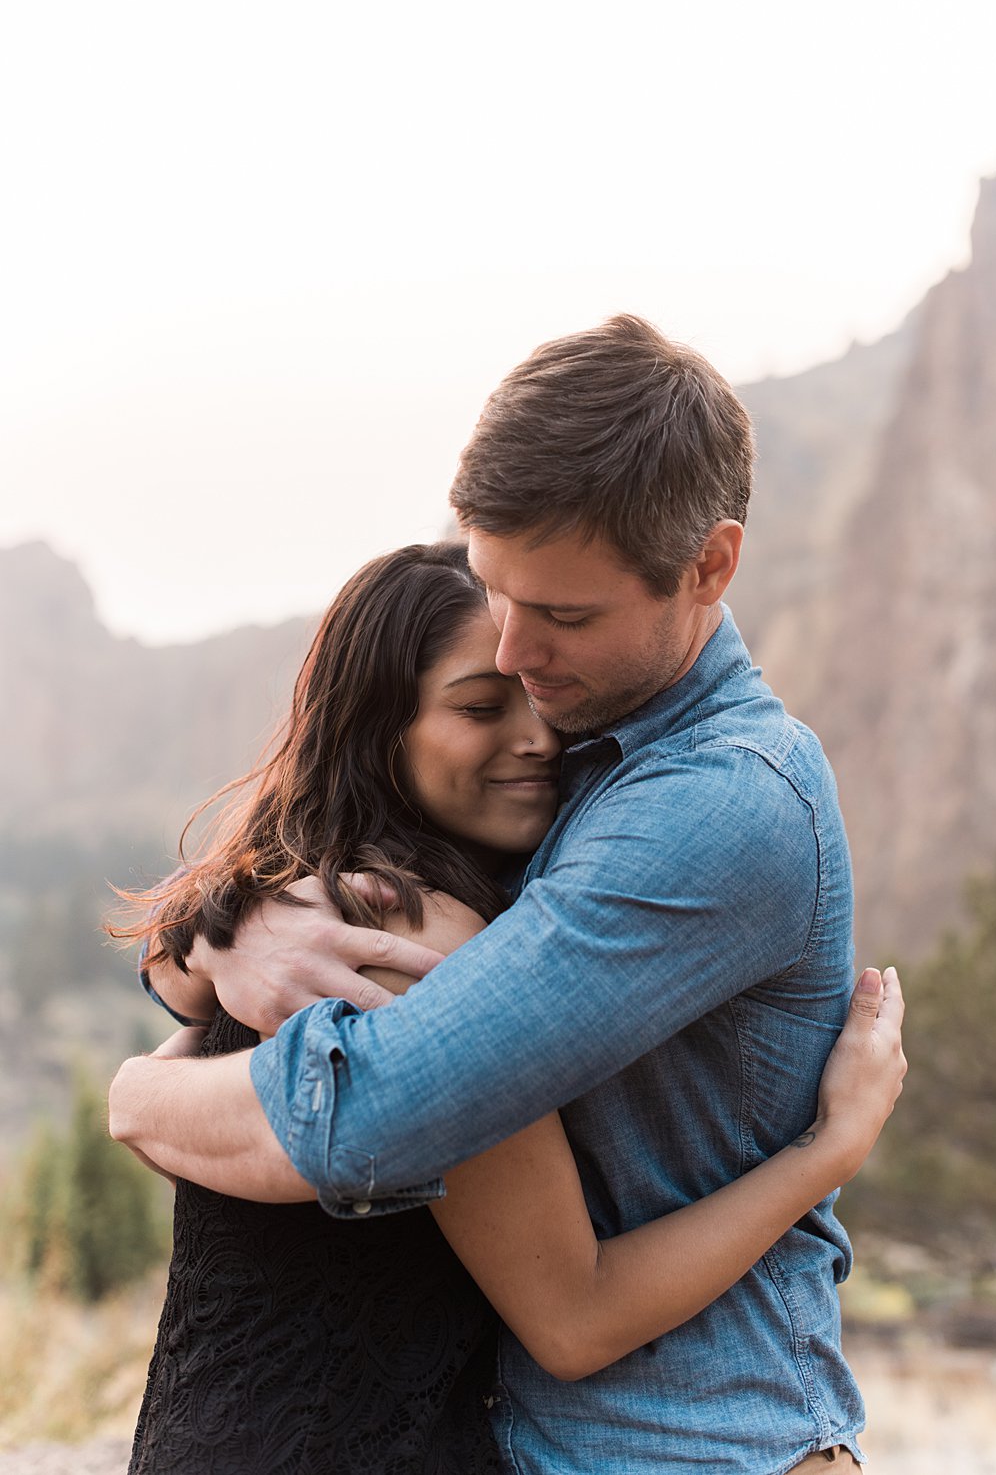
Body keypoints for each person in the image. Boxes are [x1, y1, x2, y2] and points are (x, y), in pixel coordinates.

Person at [111, 316, 904, 1473]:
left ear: (709, 566)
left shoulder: (720, 805)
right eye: (496, 589)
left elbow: (371, 1115)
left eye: (566, 616)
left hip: (705, 1447)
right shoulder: (581, 739)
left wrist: (138, 1096)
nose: (521, 655)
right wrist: (215, 944)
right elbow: (292, 855)